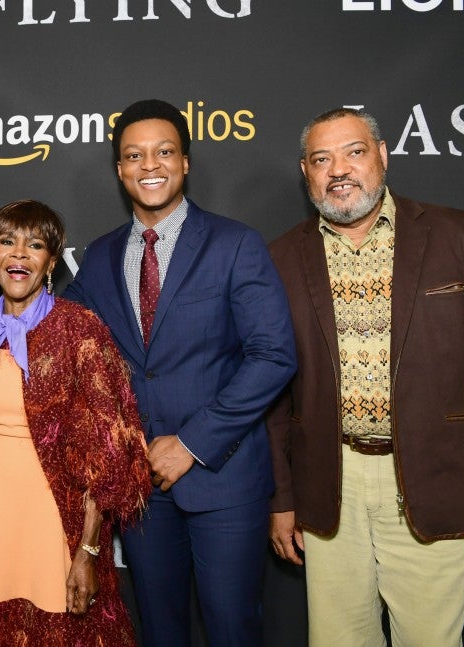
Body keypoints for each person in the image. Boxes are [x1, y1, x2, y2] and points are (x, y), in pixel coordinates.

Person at [267, 107, 464, 646]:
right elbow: (274, 398)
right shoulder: (279, 258)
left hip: (433, 479)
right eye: (321, 159)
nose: (338, 170)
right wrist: (281, 498)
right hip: (329, 487)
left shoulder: (461, 236)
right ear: (305, 172)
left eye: (354, 152)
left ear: (383, 156)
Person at [64, 99, 297, 646]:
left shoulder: (235, 243)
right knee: (160, 631)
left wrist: (192, 443)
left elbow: (273, 356)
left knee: (232, 630)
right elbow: (59, 335)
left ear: (185, 162)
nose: (150, 165)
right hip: (142, 488)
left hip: (225, 478)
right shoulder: (99, 257)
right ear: (120, 169)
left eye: (164, 152)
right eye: (134, 155)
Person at [0, 199, 151, 646]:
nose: (19, 254)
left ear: (52, 262)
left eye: (34, 245)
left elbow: (108, 459)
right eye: (6, 241)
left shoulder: (80, 330)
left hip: (56, 523)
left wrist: (87, 552)